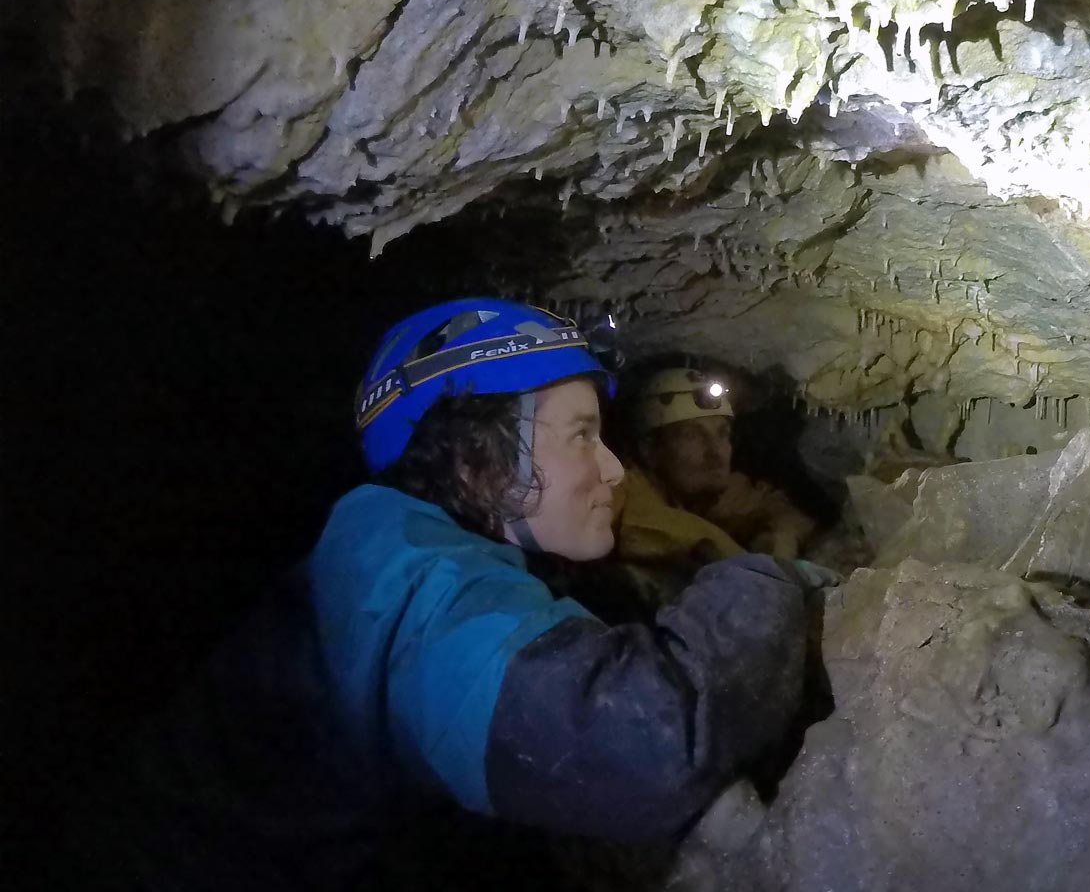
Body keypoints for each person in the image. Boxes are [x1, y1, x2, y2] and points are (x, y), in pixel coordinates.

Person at [84, 299, 817, 888]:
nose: (615, 469)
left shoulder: (423, 546)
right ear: (475, 459)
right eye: (582, 436)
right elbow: (645, 741)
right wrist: (771, 582)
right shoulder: (406, 575)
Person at [612, 367, 819, 579]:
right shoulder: (625, 487)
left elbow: (786, 515)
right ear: (650, 451)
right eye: (692, 435)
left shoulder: (710, 493)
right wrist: (752, 567)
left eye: (722, 434)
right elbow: (640, 531)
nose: (715, 452)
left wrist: (780, 533)